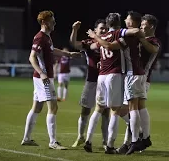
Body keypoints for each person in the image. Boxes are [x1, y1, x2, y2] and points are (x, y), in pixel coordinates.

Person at [20, 10, 81, 149]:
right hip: (44, 78)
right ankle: (53, 142)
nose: (54, 22)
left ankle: (26, 138)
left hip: (43, 78)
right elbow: (32, 57)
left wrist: (69, 54)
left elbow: (53, 50)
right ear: (44, 22)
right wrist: (42, 73)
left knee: (36, 108)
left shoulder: (47, 37)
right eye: (51, 20)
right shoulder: (40, 37)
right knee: (53, 107)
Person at [85, 13, 141, 154]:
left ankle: (88, 140)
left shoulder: (102, 36)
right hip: (114, 75)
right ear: (118, 24)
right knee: (114, 110)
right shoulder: (118, 33)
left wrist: (94, 37)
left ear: (108, 24)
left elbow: (92, 47)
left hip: (101, 76)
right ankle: (110, 145)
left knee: (98, 109)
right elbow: (115, 42)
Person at [117, 13, 161, 155]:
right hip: (137, 77)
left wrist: (141, 38)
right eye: (140, 25)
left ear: (151, 26)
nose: (141, 27)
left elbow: (153, 50)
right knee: (130, 110)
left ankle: (134, 140)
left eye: (144, 25)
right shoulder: (140, 39)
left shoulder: (154, 41)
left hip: (141, 78)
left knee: (129, 109)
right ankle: (139, 138)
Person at [70, 19, 110, 149]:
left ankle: (105, 141)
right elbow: (74, 44)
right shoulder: (89, 43)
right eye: (101, 28)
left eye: (105, 28)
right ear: (95, 30)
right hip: (92, 81)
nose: (104, 30)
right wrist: (75, 30)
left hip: (106, 82)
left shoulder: (108, 42)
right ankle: (80, 136)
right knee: (85, 110)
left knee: (106, 112)